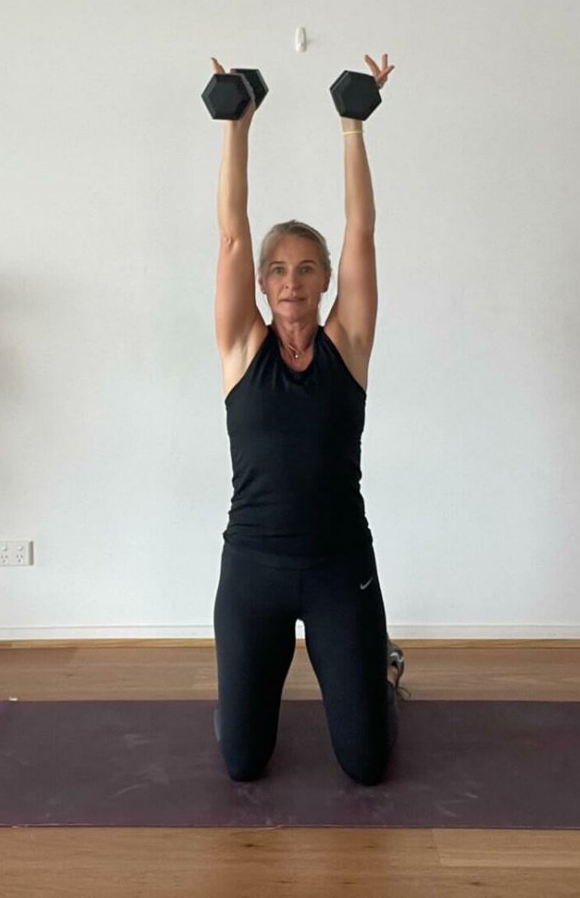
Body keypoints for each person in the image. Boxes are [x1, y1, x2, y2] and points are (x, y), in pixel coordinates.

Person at [210, 52, 406, 786]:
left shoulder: (348, 346)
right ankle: (240, 703)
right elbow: (232, 233)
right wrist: (237, 124)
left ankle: (379, 676)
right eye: (278, 270)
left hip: (338, 567)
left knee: (365, 764)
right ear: (262, 283)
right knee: (241, 763)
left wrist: (353, 125)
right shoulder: (240, 347)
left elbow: (363, 231)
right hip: (252, 570)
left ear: (326, 280)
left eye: (307, 268)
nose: (292, 281)